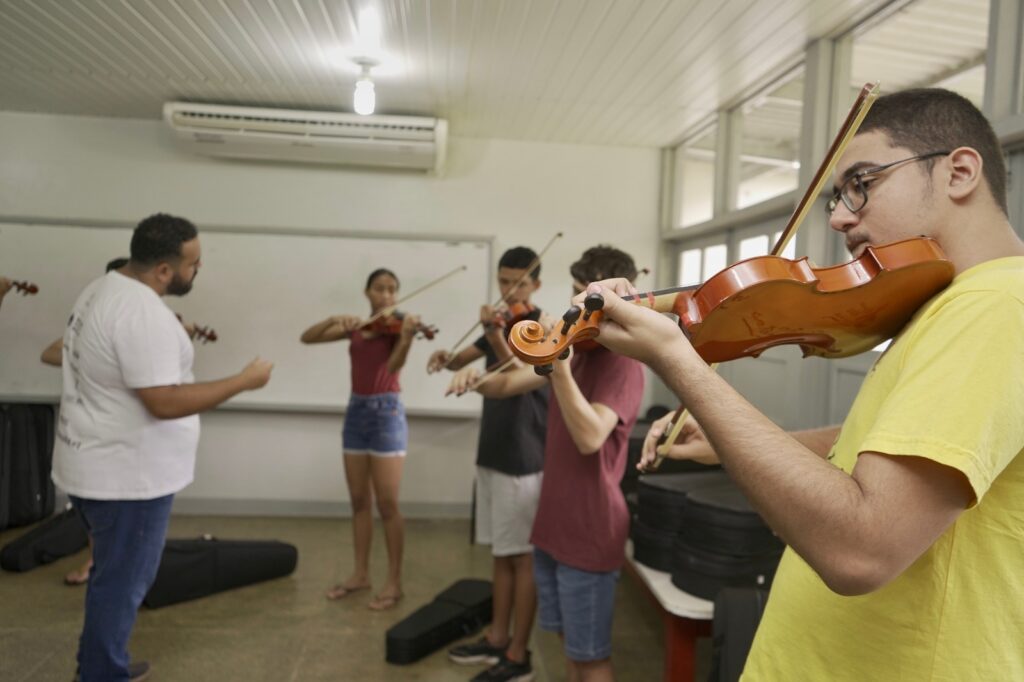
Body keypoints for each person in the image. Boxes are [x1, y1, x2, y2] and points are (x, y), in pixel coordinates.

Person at [582, 89, 1024, 679]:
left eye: (861, 182)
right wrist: (726, 439)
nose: (840, 216)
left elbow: (860, 550)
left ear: (959, 172)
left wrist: (676, 359)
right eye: (836, 198)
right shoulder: (950, 307)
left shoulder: (997, 306)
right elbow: (887, 444)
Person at [52, 213, 273, 682]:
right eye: (194, 263)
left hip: (97, 465)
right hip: (127, 479)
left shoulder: (102, 288)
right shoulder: (141, 313)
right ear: (164, 271)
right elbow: (164, 402)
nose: (199, 271)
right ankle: (101, 675)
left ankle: (99, 664)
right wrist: (243, 381)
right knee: (122, 583)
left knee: (112, 577)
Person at [449, 245, 645, 682]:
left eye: (585, 299)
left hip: (590, 530)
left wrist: (558, 369)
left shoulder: (623, 364)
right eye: (573, 294)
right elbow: (508, 384)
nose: (574, 308)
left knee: (591, 658)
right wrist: (474, 380)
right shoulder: (577, 349)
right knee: (570, 651)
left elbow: (591, 435)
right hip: (554, 526)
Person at [41, 256, 202, 586]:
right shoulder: (102, 319)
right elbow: (51, 353)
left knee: (121, 548)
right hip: (105, 448)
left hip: (123, 447)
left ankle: (106, 563)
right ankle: (99, 563)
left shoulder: (150, 319)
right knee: (113, 544)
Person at [427, 247, 549, 681]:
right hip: (494, 450)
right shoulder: (499, 322)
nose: (509, 290)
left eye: (518, 283)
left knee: (523, 558)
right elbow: (464, 363)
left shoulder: (542, 328)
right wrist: (446, 357)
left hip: (524, 455)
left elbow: (514, 372)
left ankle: (518, 654)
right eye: (502, 281)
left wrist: (495, 332)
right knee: (501, 554)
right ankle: (497, 637)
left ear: (535, 284)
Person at [301, 269, 421, 611]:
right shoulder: (358, 328)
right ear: (367, 292)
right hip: (356, 412)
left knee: (387, 504)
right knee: (358, 500)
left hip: (387, 413)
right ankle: (360, 574)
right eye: (379, 289)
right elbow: (307, 338)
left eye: (392, 290)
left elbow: (394, 366)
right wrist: (331, 319)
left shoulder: (398, 328)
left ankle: (394, 582)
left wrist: (408, 338)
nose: (386, 295)